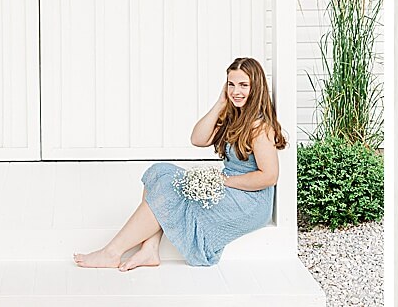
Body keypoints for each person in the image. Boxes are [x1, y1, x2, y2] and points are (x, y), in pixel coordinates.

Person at [73, 56, 287, 270]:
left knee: (170, 188)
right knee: (159, 172)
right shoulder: (235, 116)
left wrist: (224, 181)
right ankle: (150, 249)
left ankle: (112, 252)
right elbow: (197, 139)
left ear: (256, 87)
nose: (236, 91)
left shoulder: (259, 127)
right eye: (231, 84)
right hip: (232, 187)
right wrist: (220, 103)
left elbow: (269, 176)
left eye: (243, 85)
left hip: (251, 201)